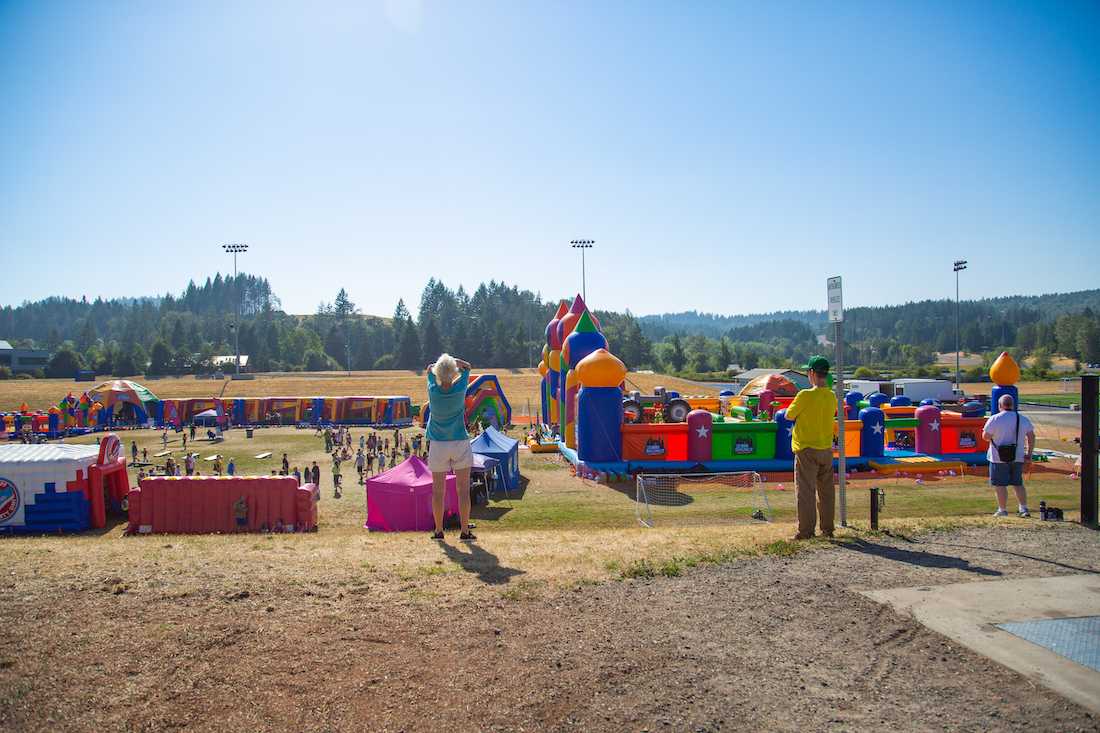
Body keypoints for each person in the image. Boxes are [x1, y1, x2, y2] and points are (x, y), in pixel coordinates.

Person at [785, 355, 838, 540]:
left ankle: (806, 531)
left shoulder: (805, 395)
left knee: (806, 492)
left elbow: (789, 416)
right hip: (826, 449)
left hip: (806, 449)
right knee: (827, 492)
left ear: (812, 374)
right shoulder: (832, 396)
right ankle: (828, 529)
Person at [425, 354, 475, 541]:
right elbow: (467, 367)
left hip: (438, 444)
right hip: (459, 441)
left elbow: (428, 369)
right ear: (454, 372)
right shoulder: (460, 388)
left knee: (438, 491)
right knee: (463, 490)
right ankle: (464, 531)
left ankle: (438, 531)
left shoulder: (432, 390)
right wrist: (456, 362)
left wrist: (438, 366)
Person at [982, 394, 1035, 517]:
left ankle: (1002, 509)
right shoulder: (1022, 419)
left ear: (1000, 405)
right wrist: (1029, 454)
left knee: (1000, 485)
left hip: (997, 457)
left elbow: (985, 437)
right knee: (1018, 483)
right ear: (1013, 405)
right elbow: (1031, 436)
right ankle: (1023, 508)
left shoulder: (994, 419)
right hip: (1017, 456)